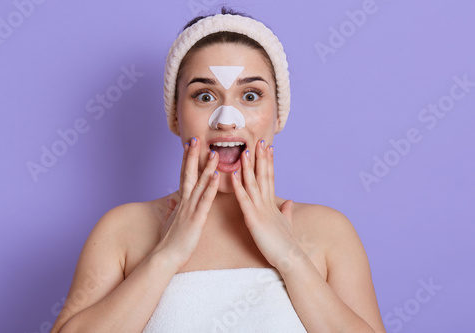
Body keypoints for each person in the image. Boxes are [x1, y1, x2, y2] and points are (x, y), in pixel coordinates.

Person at [51, 7, 386, 333]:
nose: (227, 120)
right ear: (175, 116)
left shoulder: (329, 233)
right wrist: (166, 256)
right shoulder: (122, 231)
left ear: (278, 115)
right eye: (205, 96)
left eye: (251, 95)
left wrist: (290, 258)